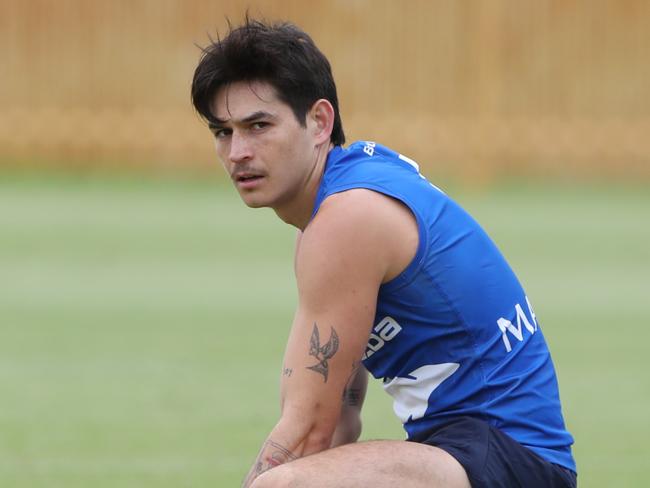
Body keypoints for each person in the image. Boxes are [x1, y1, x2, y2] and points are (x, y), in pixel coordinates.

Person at [191, 18, 577, 488]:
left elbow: (307, 433)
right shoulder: (344, 197)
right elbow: (336, 423)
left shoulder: (345, 219)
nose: (237, 153)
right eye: (222, 132)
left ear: (319, 121)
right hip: (484, 455)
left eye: (258, 125)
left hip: (505, 460)